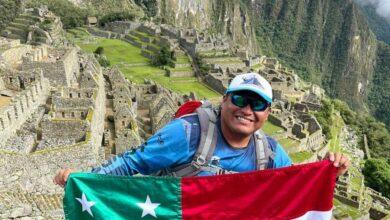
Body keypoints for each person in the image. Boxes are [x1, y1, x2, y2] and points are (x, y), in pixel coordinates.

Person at [54, 72, 349, 186]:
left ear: (267, 113)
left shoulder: (270, 153)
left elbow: (294, 186)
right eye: (240, 99)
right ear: (224, 99)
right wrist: (84, 180)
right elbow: (133, 162)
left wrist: (328, 175)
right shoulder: (187, 133)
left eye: (257, 105)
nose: (247, 110)